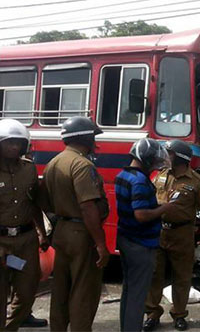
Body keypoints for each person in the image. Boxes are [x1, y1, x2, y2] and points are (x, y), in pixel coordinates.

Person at [42, 116, 109, 332]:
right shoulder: (82, 164)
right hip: (82, 232)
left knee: (60, 289)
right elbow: (88, 207)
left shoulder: (54, 162)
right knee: (83, 290)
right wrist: (100, 243)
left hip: (62, 230)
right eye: (92, 136)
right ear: (84, 137)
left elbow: (44, 202)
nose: (94, 142)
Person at [144, 140, 200, 331]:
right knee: (154, 275)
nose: (166, 157)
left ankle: (179, 314)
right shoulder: (159, 176)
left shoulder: (196, 181)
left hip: (182, 233)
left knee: (182, 277)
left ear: (181, 158)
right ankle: (152, 313)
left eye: (171, 154)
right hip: (158, 232)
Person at [116, 138, 173, 332]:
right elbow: (141, 215)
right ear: (146, 159)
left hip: (126, 238)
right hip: (140, 243)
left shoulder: (123, 175)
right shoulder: (139, 181)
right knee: (138, 294)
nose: (156, 164)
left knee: (129, 290)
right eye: (154, 160)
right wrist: (163, 208)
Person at [0, 119, 49, 331]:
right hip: (1, 240)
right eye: (9, 142)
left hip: (26, 239)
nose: (14, 147)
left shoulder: (29, 169)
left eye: (18, 143)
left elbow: (34, 202)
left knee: (28, 291)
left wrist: (41, 233)